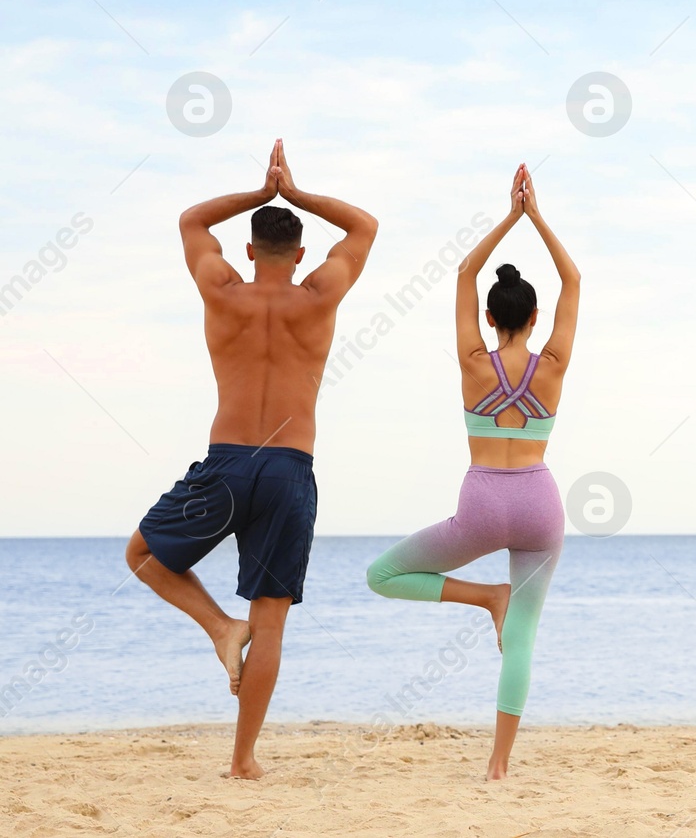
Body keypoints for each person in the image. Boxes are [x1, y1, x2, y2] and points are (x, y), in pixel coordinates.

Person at [124, 140, 378, 780]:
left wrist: (260, 193)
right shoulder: (318, 294)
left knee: (142, 556)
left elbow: (191, 221)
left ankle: (216, 627)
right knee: (272, 623)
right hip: (289, 470)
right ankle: (242, 761)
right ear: (298, 254)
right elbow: (363, 227)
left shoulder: (221, 290)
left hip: (228, 462)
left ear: (246, 250)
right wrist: (294, 193)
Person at [366, 163, 578, 781]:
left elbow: (463, 272)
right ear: (535, 317)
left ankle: (486, 597)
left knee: (383, 574)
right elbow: (573, 277)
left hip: (483, 502)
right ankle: (498, 767)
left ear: (490, 318)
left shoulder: (471, 361)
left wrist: (507, 216)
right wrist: (535, 215)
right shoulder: (555, 363)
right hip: (540, 502)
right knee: (526, 633)